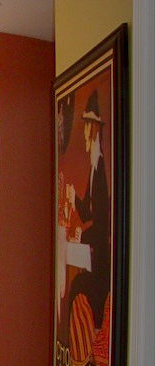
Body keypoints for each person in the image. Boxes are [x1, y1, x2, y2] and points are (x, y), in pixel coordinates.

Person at [67, 90, 111, 334]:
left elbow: (101, 219)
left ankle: (93, 334)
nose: (83, 132)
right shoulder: (94, 165)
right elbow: (88, 215)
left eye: (86, 127)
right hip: (94, 252)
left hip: (100, 258)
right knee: (76, 286)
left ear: (94, 129)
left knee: (77, 287)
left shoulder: (100, 165)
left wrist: (84, 237)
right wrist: (74, 197)